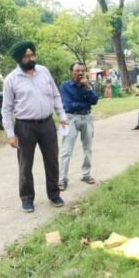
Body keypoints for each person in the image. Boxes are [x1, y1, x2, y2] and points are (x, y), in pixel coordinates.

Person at [2, 40, 68, 213]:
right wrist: (10, 134)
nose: (31, 58)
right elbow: (7, 109)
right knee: (25, 164)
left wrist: (62, 116)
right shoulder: (11, 80)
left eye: (32, 54)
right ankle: (27, 198)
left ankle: (54, 194)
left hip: (47, 124)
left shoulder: (44, 72)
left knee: (52, 161)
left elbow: (55, 95)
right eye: (26, 56)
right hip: (24, 127)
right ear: (19, 59)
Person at [58, 62, 99, 190]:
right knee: (66, 150)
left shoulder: (87, 85)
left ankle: (86, 175)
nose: (80, 73)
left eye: (82, 70)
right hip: (70, 118)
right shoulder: (65, 86)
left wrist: (88, 87)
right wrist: (85, 103)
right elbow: (69, 105)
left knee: (88, 149)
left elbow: (95, 100)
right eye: (77, 70)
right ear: (71, 72)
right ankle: (62, 179)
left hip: (87, 118)